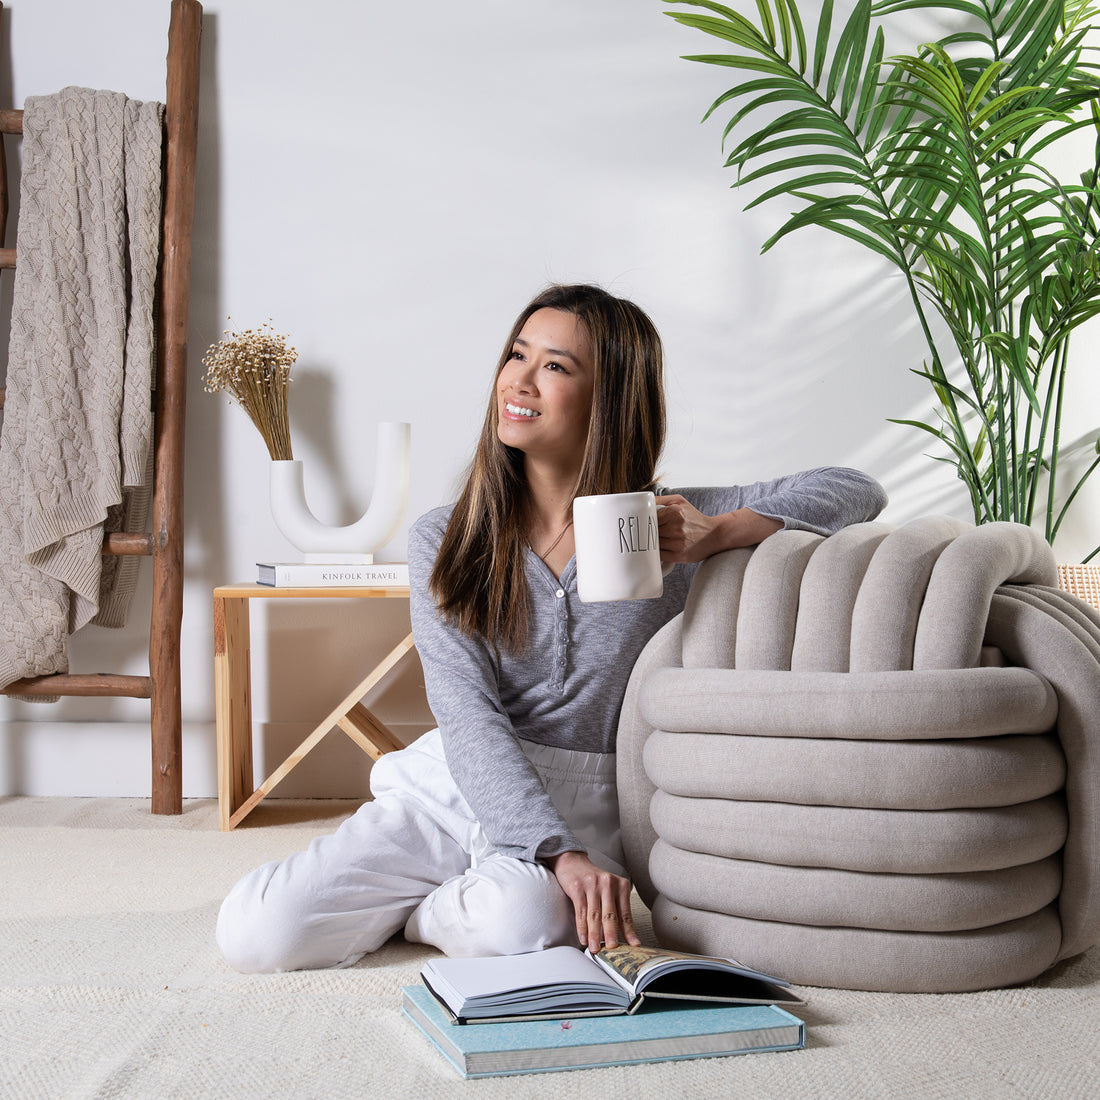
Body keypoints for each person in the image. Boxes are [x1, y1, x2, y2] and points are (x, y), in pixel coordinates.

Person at [216, 284, 887, 973]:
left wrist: (719, 533)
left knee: (529, 922)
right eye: (517, 355)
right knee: (258, 935)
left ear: (610, 397)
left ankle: (424, 914)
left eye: (556, 366)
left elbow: (856, 489)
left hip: (589, 798)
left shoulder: (666, 521)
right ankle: (443, 894)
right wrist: (556, 854)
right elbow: (466, 711)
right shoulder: (446, 536)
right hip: (458, 779)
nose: (520, 380)